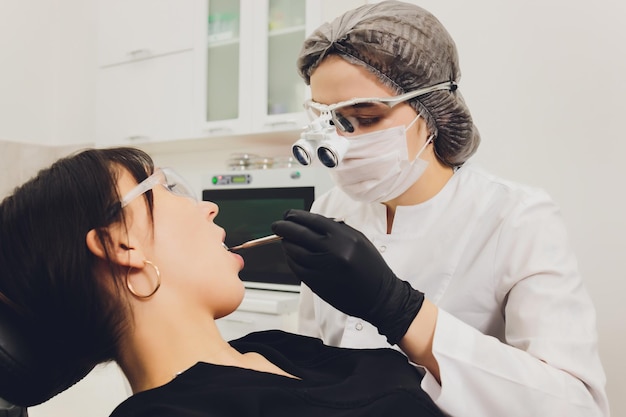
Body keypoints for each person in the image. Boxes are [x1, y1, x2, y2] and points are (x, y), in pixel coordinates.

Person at [281, 1, 610, 416]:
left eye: (365, 117)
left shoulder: (516, 217)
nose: (344, 143)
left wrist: (401, 312)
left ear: (432, 109)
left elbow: (577, 406)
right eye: (331, 123)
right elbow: (314, 358)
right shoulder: (330, 209)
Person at [0, 147, 446, 417]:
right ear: (121, 245)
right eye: (165, 188)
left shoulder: (277, 346)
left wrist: (397, 307)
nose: (209, 208)